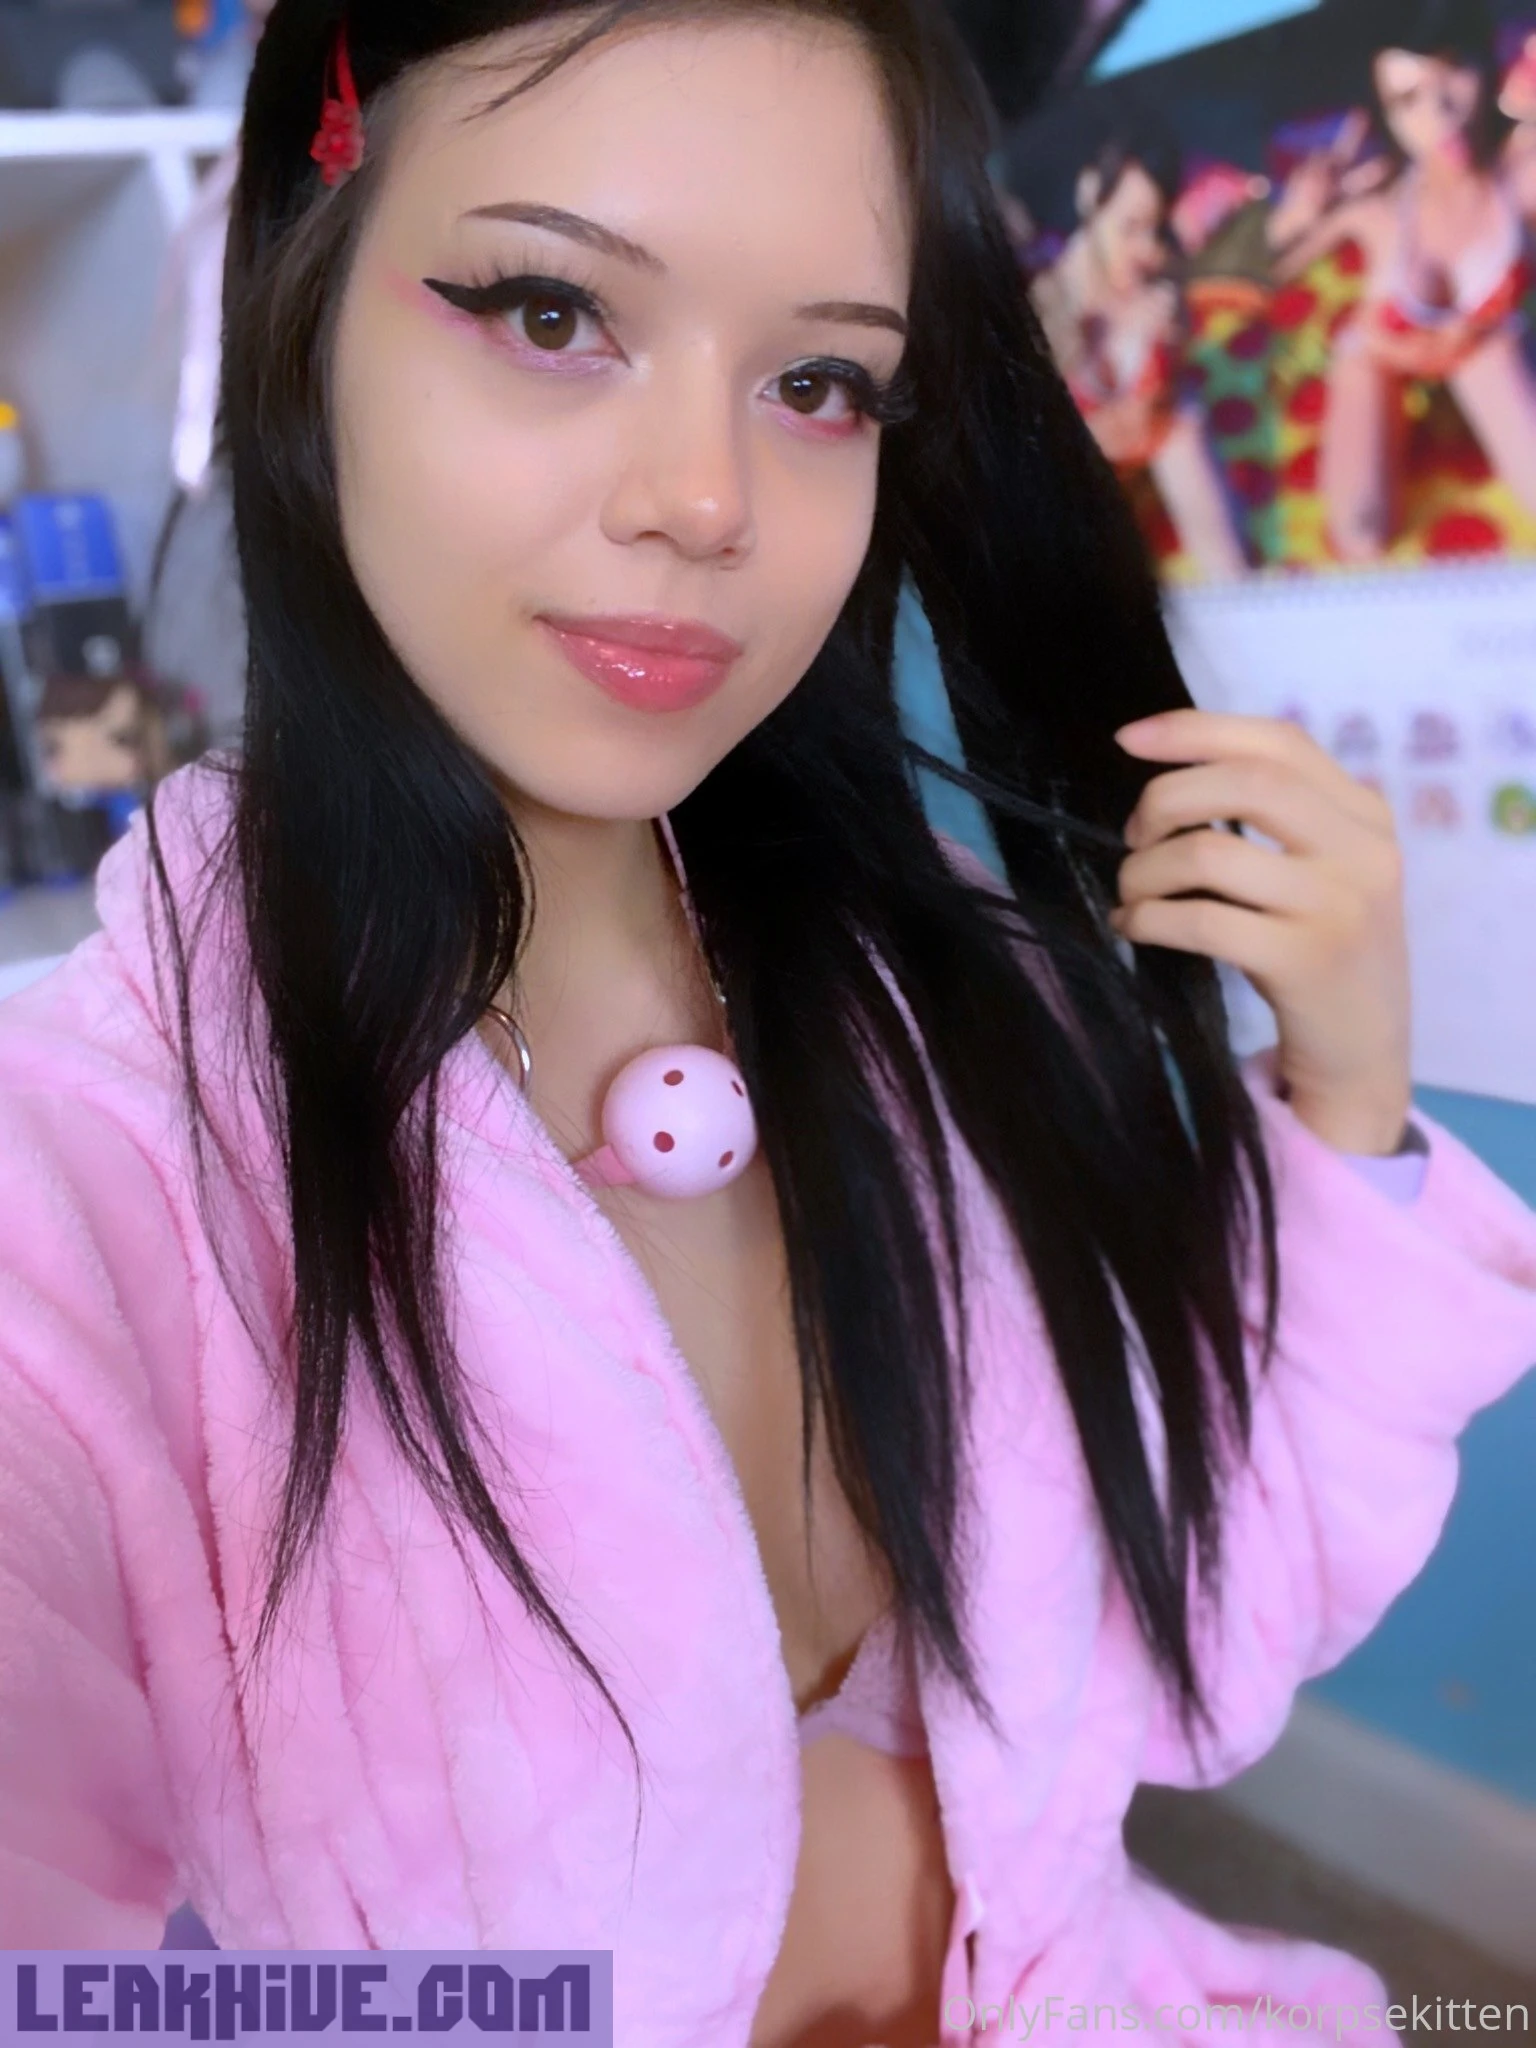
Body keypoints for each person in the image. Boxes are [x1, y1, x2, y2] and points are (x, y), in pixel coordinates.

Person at [0, 4, 1533, 2045]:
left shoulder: (960, 1022)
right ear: (304, 304)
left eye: (821, 381)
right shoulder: (87, 1199)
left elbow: (1211, 1616)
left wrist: (1343, 1106)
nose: (708, 500)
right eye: (553, 313)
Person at [1268, 0, 1536, 563]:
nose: (1440, 111)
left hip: (1482, 348)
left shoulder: (1518, 174)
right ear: (1385, 116)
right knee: (1360, 532)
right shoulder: (1379, 206)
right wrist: (1295, 219)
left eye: (1453, 70)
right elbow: (1271, 269)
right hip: (1384, 351)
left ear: (1484, 63)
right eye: (1407, 99)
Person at [1030, 136, 1250, 580]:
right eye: (1129, 227)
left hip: (1147, 446)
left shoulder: (1160, 284)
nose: (1144, 248)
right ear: (1090, 196)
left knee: (1184, 418)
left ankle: (1235, 588)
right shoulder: (1040, 293)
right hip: (1063, 475)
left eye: (1155, 229)